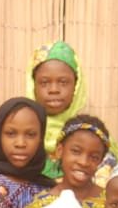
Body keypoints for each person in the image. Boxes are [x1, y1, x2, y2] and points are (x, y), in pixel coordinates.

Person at [17, 114, 113, 208]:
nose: (83, 162)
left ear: (101, 161)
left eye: (94, 157)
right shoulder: (40, 205)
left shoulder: (111, 203)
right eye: (76, 151)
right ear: (60, 151)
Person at [27, 41, 89, 178]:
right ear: (33, 86)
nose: (54, 90)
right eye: (44, 82)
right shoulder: (21, 133)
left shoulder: (91, 136)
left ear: (76, 86)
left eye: (63, 82)